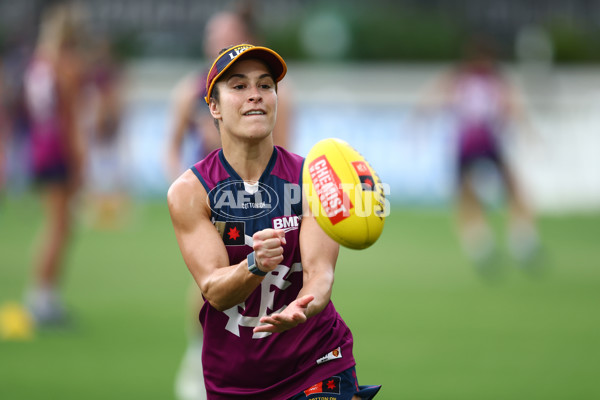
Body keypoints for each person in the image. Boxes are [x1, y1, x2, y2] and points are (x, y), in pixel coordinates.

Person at [167, 44, 380, 399]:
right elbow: (215, 290)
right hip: (234, 380)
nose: (256, 96)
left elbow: (319, 272)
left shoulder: (312, 179)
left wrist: (306, 303)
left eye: (265, 86)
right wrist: (254, 265)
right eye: (239, 86)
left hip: (317, 362)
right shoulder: (190, 192)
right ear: (214, 107)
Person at [168, 8, 294, 400]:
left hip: (265, 197)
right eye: (214, 34)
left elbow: (284, 150)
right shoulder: (188, 91)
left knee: (276, 279)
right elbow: (171, 148)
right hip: (213, 201)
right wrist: (185, 191)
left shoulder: (273, 97)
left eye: (229, 34)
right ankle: (199, 355)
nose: (217, 41)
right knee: (210, 288)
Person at [416, 35, 540, 267]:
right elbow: (510, 106)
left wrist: (419, 121)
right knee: (494, 192)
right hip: (481, 141)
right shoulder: (489, 79)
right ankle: (507, 242)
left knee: (481, 194)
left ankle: (494, 243)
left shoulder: (462, 77)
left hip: (472, 143)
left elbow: (433, 100)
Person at [22, 3, 89, 325]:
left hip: (40, 147)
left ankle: (44, 295)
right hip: (58, 151)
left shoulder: (40, 62)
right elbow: (70, 119)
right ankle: (42, 297)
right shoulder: (66, 66)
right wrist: (80, 161)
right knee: (60, 226)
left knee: (58, 224)